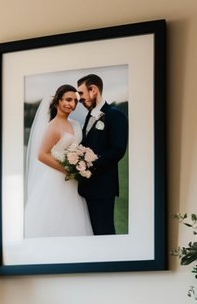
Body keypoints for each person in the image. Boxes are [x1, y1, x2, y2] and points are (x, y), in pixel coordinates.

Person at [23, 84, 94, 238]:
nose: (72, 104)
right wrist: (68, 169)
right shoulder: (52, 126)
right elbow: (42, 154)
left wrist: (81, 161)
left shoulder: (75, 124)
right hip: (56, 180)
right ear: (58, 101)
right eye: (68, 100)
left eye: (75, 101)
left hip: (73, 182)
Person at [76, 73, 128, 235]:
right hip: (86, 187)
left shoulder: (115, 115)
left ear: (93, 90)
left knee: (103, 232)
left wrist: (89, 166)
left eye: (82, 93)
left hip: (103, 187)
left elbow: (117, 149)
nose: (80, 99)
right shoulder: (89, 116)